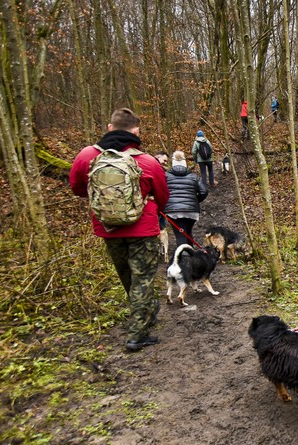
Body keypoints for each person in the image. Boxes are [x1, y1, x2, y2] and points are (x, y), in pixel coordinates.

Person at [70, 108, 170, 352]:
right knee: (143, 279)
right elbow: (163, 197)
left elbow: (77, 188)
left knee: (127, 276)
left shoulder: (86, 156)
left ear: (109, 127)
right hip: (143, 230)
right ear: (136, 132)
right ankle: (137, 334)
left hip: (108, 228)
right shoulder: (147, 161)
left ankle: (143, 311)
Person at [163, 151, 208, 259]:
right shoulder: (194, 177)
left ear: (172, 162)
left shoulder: (165, 176)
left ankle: (184, 261)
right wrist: (195, 200)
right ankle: (191, 259)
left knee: (180, 235)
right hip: (191, 211)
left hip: (173, 211)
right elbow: (204, 192)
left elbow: (160, 191)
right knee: (187, 232)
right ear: (185, 162)